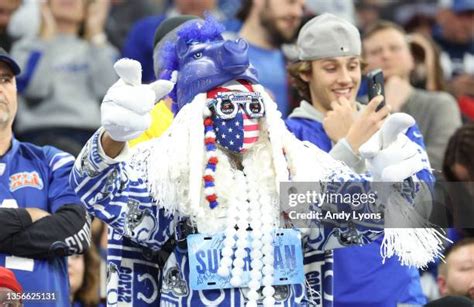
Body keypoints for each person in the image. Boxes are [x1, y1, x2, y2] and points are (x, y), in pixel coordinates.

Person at [70, 16, 443, 306]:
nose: (242, 119)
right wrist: (112, 138)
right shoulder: (173, 182)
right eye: (225, 107)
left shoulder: (293, 177)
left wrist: (399, 180)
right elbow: (95, 188)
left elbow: (389, 217)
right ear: (196, 118)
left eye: (252, 107)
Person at [286, 13, 431, 307]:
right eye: (330, 68)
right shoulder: (287, 134)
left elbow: (424, 214)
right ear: (305, 73)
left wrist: (370, 146)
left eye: (353, 66)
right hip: (330, 298)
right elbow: (296, 220)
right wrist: (347, 147)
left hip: (401, 296)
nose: (345, 78)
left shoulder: (394, 125)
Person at [0, 48, 90, 306]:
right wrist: (29, 216)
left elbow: (79, 230)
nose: (0, 88)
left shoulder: (52, 161)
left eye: (6, 80)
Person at [11, 0, 118, 155]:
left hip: (88, 136)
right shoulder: (25, 48)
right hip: (36, 135)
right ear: (45, 5)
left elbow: (109, 93)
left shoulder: (101, 48)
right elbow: (36, 91)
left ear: (86, 8)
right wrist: (45, 40)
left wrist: (95, 34)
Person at [362, 20, 462, 172]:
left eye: (395, 48)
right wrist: (389, 108)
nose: (386, 55)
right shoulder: (356, 107)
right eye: (375, 52)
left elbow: (444, 161)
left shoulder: (441, 103)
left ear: (412, 58)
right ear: (363, 65)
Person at [237, 0, 305, 117]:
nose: (297, 13)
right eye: (290, 2)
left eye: (302, 7)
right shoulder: (218, 57)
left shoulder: (298, 62)